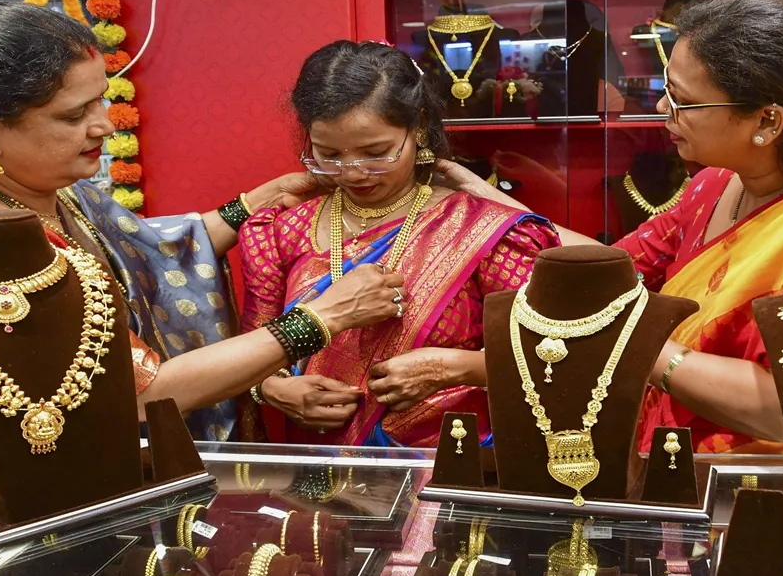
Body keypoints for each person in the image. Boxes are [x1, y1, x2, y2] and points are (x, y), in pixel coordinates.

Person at [0, 2, 405, 441]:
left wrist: (251, 205)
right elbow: (135, 392)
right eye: (73, 115)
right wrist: (320, 318)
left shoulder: (46, 189)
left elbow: (148, 253)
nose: (103, 125)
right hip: (87, 482)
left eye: (100, 99)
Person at [437, 0, 783, 454]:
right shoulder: (716, 184)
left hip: (764, 482)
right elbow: (613, 267)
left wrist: (638, 346)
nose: (660, 109)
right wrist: (485, 199)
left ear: (767, 122)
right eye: (667, 90)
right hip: (671, 458)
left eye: (682, 100)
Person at [239, 41, 558, 448]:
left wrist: (457, 368)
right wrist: (272, 388)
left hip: (454, 465)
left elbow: (553, 357)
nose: (353, 173)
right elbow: (253, 352)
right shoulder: (281, 231)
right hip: (317, 467)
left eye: (376, 153)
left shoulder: (484, 230)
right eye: (328, 154)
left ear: (418, 126)